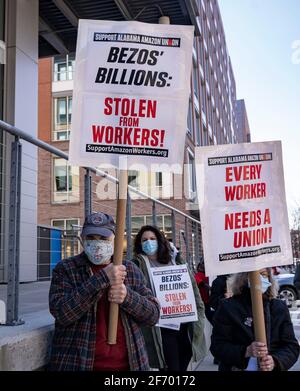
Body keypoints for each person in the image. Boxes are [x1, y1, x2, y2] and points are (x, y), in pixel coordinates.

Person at [48, 212, 160, 371]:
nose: (97, 243)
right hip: (77, 364)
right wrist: (101, 279)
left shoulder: (130, 270)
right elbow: (62, 313)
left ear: (115, 240)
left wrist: (127, 296)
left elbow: (153, 315)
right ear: (82, 239)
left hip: (129, 365)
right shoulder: (66, 269)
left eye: (103, 238)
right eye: (91, 238)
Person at [132, 225, 207, 371]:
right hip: (161, 327)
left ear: (160, 241)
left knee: (184, 362)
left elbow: (192, 289)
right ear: (139, 244)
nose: (149, 242)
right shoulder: (138, 265)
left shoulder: (176, 260)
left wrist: (199, 312)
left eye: (152, 239)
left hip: (184, 323)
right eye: (144, 240)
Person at [210, 268, 300, 371]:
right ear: (244, 278)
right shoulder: (228, 307)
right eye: (254, 274)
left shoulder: (278, 307)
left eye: (264, 275)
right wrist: (245, 351)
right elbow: (217, 346)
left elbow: (291, 346)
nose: (260, 278)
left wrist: (275, 361)